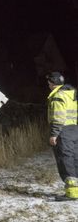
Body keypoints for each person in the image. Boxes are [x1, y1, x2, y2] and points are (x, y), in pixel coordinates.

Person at [46, 71, 78, 201]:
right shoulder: (71, 94)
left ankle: (72, 193)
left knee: (65, 161)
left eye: (49, 83)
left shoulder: (58, 96)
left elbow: (58, 117)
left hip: (63, 131)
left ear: (53, 84)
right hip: (74, 129)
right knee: (75, 159)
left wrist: (54, 134)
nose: (48, 85)